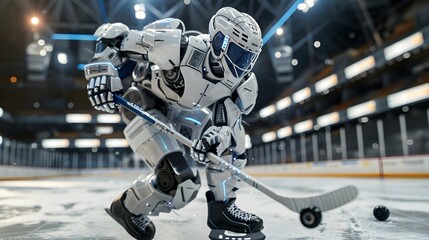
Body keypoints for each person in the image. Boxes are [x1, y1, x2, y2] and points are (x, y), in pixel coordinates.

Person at [84, 7, 264, 240]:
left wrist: (216, 138)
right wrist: (102, 72)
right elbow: (113, 36)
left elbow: (226, 121)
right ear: (219, 42)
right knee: (180, 183)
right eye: (238, 53)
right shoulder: (180, 47)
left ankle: (223, 208)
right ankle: (127, 207)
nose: (242, 64)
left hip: (183, 112)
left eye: (248, 57)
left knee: (235, 137)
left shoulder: (243, 84)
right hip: (146, 106)